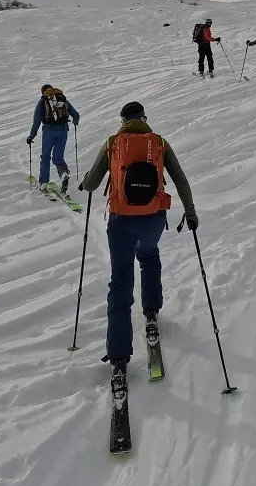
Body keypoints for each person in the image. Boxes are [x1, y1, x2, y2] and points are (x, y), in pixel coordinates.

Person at [77, 100, 199, 378]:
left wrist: (85, 180)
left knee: (120, 281)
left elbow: (92, 183)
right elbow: (180, 180)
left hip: (121, 222)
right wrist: (190, 212)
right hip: (153, 219)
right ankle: (152, 311)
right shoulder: (159, 143)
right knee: (149, 256)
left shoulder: (112, 143)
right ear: (144, 118)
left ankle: (119, 357)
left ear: (122, 122)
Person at [26, 84, 80, 194]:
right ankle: (64, 173)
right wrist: (75, 121)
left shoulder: (42, 102)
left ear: (43, 92)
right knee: (58, 157)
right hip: (63, 131)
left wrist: (31, 136)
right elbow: (76, 114)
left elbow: (36, 121)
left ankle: (44, 183)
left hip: (49, 132)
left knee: (45, 157)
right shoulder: (62, 99)